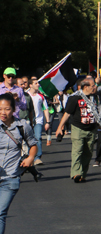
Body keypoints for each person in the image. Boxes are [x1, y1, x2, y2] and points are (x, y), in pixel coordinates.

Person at [0, 93, 38, 234]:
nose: (3, 112)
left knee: (0, 213)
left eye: (7, 109)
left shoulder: (22, 126)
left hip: (11, 177)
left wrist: (30, 158)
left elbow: (33, 144)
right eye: (0, 109)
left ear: (14, 109)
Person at [55, 78, 101, 183]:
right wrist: (60, 127)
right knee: (78, 151)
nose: (95, 87)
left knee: (88, 153)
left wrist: (99, 126)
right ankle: (76, 173)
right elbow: (67, 113)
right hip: (78, 128)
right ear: (86, 87)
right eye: (93, 85)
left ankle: (83, 174)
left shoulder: (94, 97)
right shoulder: (74, 98)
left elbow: (96, 112)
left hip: (91, 128)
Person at [26, 78, 49, 165]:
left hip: (38, 120)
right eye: (36, 83)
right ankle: (29, 157)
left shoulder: (41, 96)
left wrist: (48, 122)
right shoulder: (26, 96)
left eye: (38, 83)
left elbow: (45, 109)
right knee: (29, 139)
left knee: (38, 137)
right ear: (30, 85)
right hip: (28, 121)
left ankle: (37, 157)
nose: (38, 85)